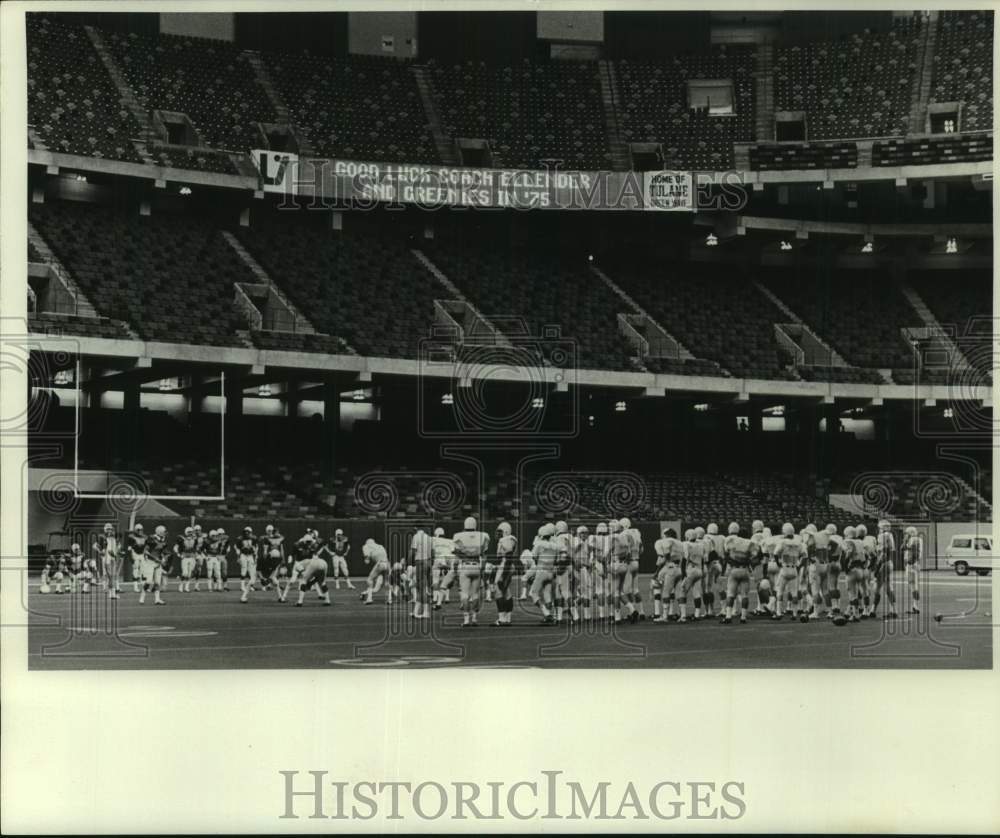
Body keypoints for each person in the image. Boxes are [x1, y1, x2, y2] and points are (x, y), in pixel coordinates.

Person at [453, 516, 490, 628]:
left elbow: (456, 557)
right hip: (476, 566)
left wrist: (455, 570)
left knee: (464, 594)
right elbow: (484, 556)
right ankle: (474, 618)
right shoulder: (482, 536)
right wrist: (482, 569)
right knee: (475, 594)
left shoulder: (458, 536)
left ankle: (466, 620)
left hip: (465, 566)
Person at [722, 522, 756, 624]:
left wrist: (731, 561)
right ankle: (743, 617)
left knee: (731, 594)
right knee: (745, 595)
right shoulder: (750, 543)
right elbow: (754, 557)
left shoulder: (732, 541)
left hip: (734, 569)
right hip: (745, 570)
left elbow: (727, 554)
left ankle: (728, 616)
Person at [653, 528, 684, 623]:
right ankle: (683, 616)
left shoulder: (668, 541)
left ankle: (665, 616)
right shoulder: (679, 542)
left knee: (665, 592)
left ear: (667, 534)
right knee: (679, 593)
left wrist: (665, 564)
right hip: (679, 568)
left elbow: (666, 553)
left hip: (671, 567)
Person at [530, 523, 559, 624]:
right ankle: (554, 616)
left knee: (533, 593)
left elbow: (534, 556)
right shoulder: (555, 544)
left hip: (542, 570)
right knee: (548, 594)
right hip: (551, 571)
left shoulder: (539, 543)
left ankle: (547, 614)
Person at [493, 521, 518, 626]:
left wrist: (503, 574)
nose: (498, 534)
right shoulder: (509, 539)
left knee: (498, 590)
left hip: (505, 565)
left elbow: (508, 557)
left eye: (500, 531)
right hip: (506, 565)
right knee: (506, 592)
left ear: (506, 531)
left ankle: (502, 619)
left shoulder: (507, 540)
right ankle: (507, 618)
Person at [139, 525, 168, 605]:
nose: (165, 533)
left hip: (158, 562)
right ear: (160, 532)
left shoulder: (163, 540)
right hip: (150, 562)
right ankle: (142, 597)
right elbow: (146, 551)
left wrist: (163, 558)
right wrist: (155, 558)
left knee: (157, 582)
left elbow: (162, 552)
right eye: (164, 532)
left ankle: (157, 599)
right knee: (148, 581)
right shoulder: (151, 539)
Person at [93, 522, 122, 599]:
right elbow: (95, 546)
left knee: (113, 575)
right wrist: (100, 551)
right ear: (105, 529)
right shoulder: (102, 537)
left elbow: (117, 547)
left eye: (110, 529)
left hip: (113, 557)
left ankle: (112, 592)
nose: (109, 530)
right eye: (108, 529)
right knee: (109, 575)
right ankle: (108, 589)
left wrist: (118, 552)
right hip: (107, 558)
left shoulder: (114, 538)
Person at [361, 538, 390, 605]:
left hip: (380, 564)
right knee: (387, 582)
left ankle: (369, 599)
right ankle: (389, 599)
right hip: (387, 564)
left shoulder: (366, 546)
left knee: (369, 580)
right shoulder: (380, 546)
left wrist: (366, 558)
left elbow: (367, 561)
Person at [903, 526, 923, 614]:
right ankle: (915, 605)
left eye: (907, 533)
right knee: (915, 586)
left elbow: (911, 551)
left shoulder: (912, 540)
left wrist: (910, 562)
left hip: (911, 564)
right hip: (916, 564)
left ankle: (915, 606)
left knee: (912, 586)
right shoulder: (919, 539)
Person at [236, 526, 258, 604]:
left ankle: (250, 586)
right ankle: (242, 586)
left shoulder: (254, 538)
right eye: (246, 532)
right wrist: (238, 557)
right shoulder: (240, 539)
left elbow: (255, 547)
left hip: (250, 555)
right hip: (243, 555)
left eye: (248, 532)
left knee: (252, 571)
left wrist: (255, 556)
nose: (247, 533)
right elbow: (238, 548)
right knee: (243, 570)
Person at [174, 526, 199, 593]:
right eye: (189, 532)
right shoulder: (181, 538)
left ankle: (187, 587)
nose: (190, 533)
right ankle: (181, 586)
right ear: (186, 532)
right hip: (185, 557)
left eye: (191, 532)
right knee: (184, 573)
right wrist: (178, 553)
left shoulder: (195, 539)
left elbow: (196, 548)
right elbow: (175, 547)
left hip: (192, 557)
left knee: (189, 573)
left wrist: (196, 554)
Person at [128, 523, 148, 593]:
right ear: (135, 530)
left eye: (141, 530)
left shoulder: (145, 537)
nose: (140, 531)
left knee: (144, 571)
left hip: (142, 554)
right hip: (135, 553)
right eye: (139, 530)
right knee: (135, 570)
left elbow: (146, 547)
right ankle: (135, 587)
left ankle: (144, 587)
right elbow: (129, 549)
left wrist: (146, 555)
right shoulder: (131, 537)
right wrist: (131, 559)